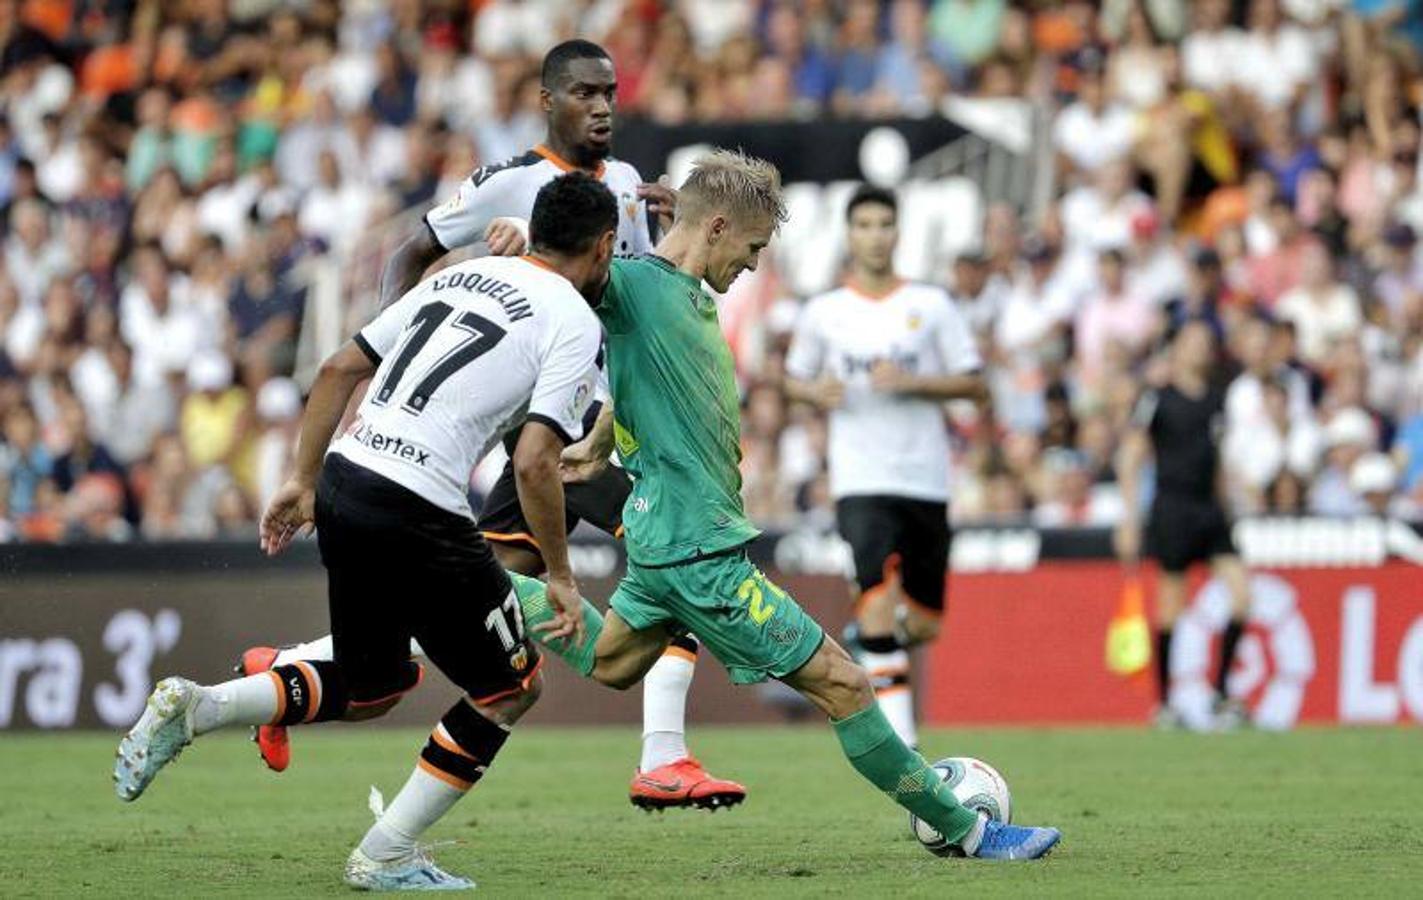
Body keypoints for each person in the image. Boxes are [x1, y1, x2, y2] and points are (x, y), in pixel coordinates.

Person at [238, 38, 744, 811]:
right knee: (679, 558)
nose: (602, 106)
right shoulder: (511, 183)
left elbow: (631, 298)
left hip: (610, 420)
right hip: (553, 429)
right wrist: (398, 346)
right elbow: (414, 248)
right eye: (583, 93)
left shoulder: (632, 187)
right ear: (548, 101)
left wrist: (672, 238)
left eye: (609, 92)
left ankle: (287, 670)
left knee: (487, 590)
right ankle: (663, 758)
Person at [550, 150, 1059, 860]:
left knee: (608, 662)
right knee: (845, 684)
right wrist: (518, 243)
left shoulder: (685, 293)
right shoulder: (631, 284)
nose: (755, 265)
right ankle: (972, 832)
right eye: (753, 247)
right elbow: (562, 264)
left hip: (664, 544)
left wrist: (603, 439)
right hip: (700, 557)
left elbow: (634, 373)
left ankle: (469, 586)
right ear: (719, 227)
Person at [114, 173, 614, 890]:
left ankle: (199, 705)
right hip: (420, 507)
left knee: (372, 685)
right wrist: (561, 576)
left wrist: (301, 478)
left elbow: (338, 365)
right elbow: (537, 461)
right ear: (602, 249)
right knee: (510, 688)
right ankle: (385, 854)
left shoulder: (465, 274)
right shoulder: (574, 320)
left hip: (347, 478)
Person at [782, 185, 986, 748]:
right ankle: (902, 741)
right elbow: (791, 381)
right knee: (873, 590)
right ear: (850, 235)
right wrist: (812, 392)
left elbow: (975, 383)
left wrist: (914, 383)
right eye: (865, 224)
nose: (875, 235)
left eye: (884, 224)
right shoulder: (825, 312)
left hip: (924, 479)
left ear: (898, 233)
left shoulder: (931, 305)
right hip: (860, 478)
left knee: (921, 623)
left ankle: (873, 642)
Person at [1115, 319, 1253, 730]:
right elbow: (1132, 455)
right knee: (1170, 607)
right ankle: (1166, 703)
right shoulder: (1157, 399)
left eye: (1205, 342)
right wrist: (1129, 518)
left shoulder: (1216, 401)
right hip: (1172, 507)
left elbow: (1219, 464)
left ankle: (1222, 693)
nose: (1199, 349)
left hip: (1210, 510)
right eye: (1191, 342)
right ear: (1175, 350)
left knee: (1242, 597)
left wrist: (1229, 507)